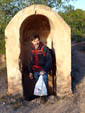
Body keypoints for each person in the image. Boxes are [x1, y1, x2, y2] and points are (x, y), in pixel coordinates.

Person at [28, 35, 52, 104]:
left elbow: (49, 60)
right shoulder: (31, 50)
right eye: (35, 41)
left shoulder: (44, 48)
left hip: (43, 69)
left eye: (38, 40)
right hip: (35, 70)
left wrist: (44, 69)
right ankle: (39, 96)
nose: (37, 42)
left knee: (43, 83)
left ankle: (43, 97)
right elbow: (29, 61)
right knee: (37, 83)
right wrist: (30, 72)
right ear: (32, 42)